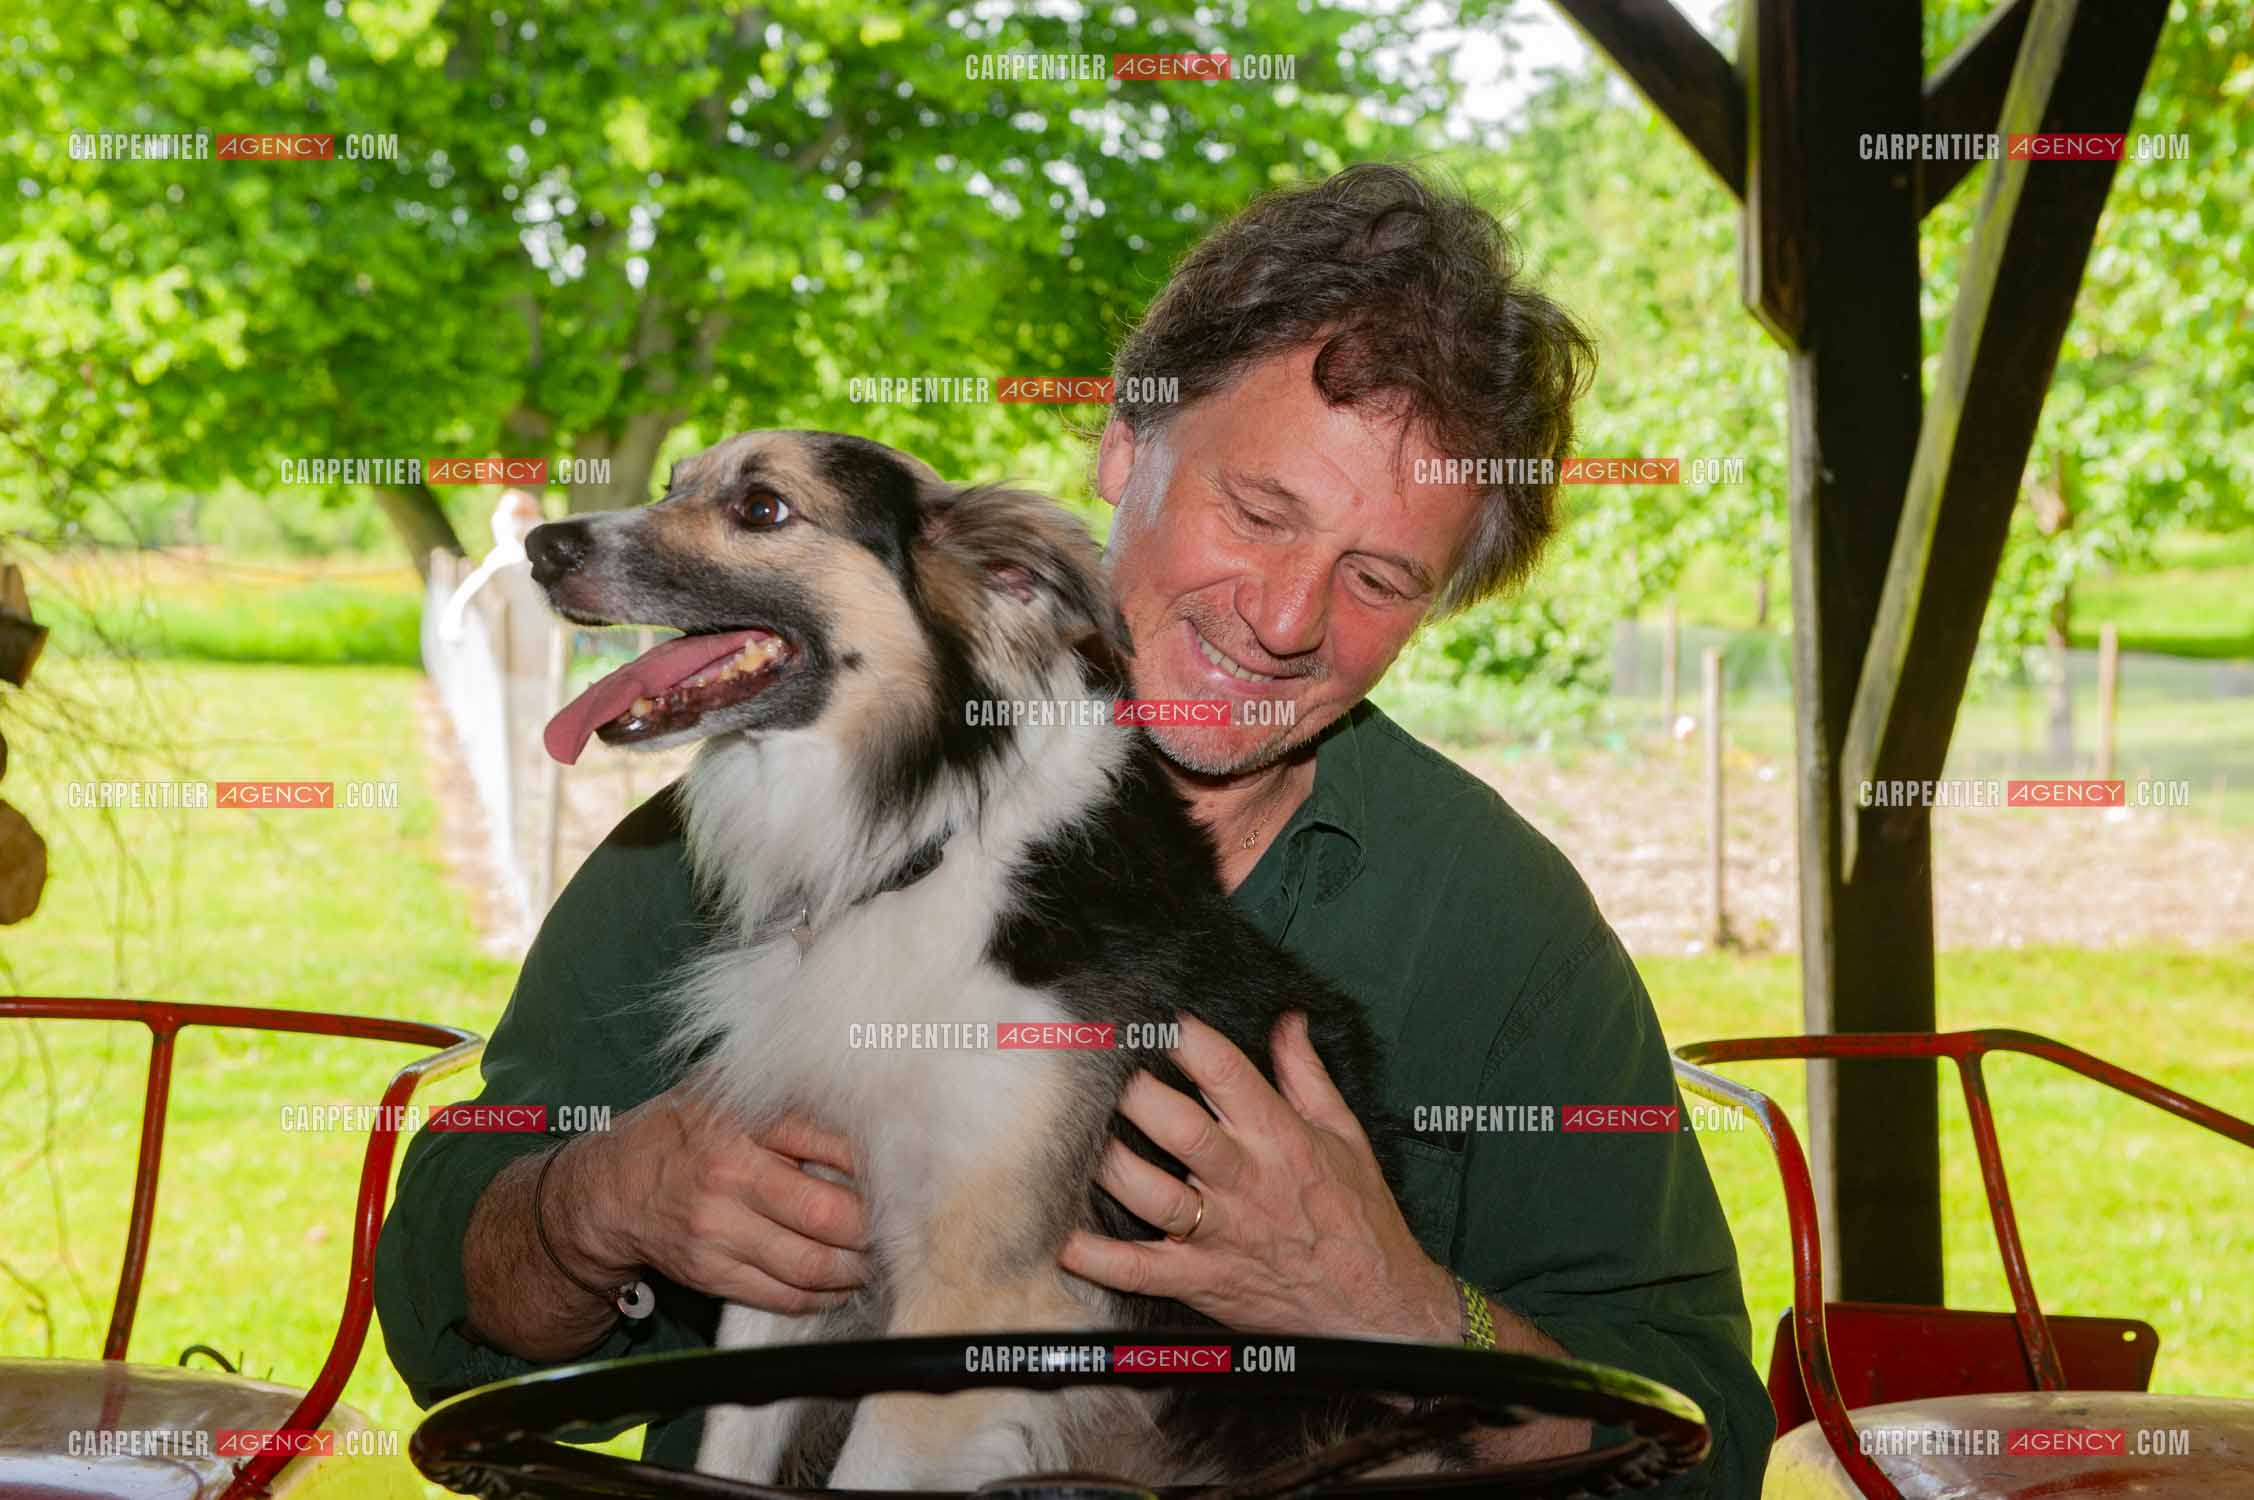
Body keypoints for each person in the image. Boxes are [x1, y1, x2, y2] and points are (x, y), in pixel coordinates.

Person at [375, 161, 1773, 1496]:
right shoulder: (747, 832)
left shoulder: (1493, 919)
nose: (1285, 621)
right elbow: (448, 1312)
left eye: (1378, 576)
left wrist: (1406, 1316)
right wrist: (590, 1207)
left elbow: (1697, 1446)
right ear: (1124, 442)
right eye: (1256, 508)